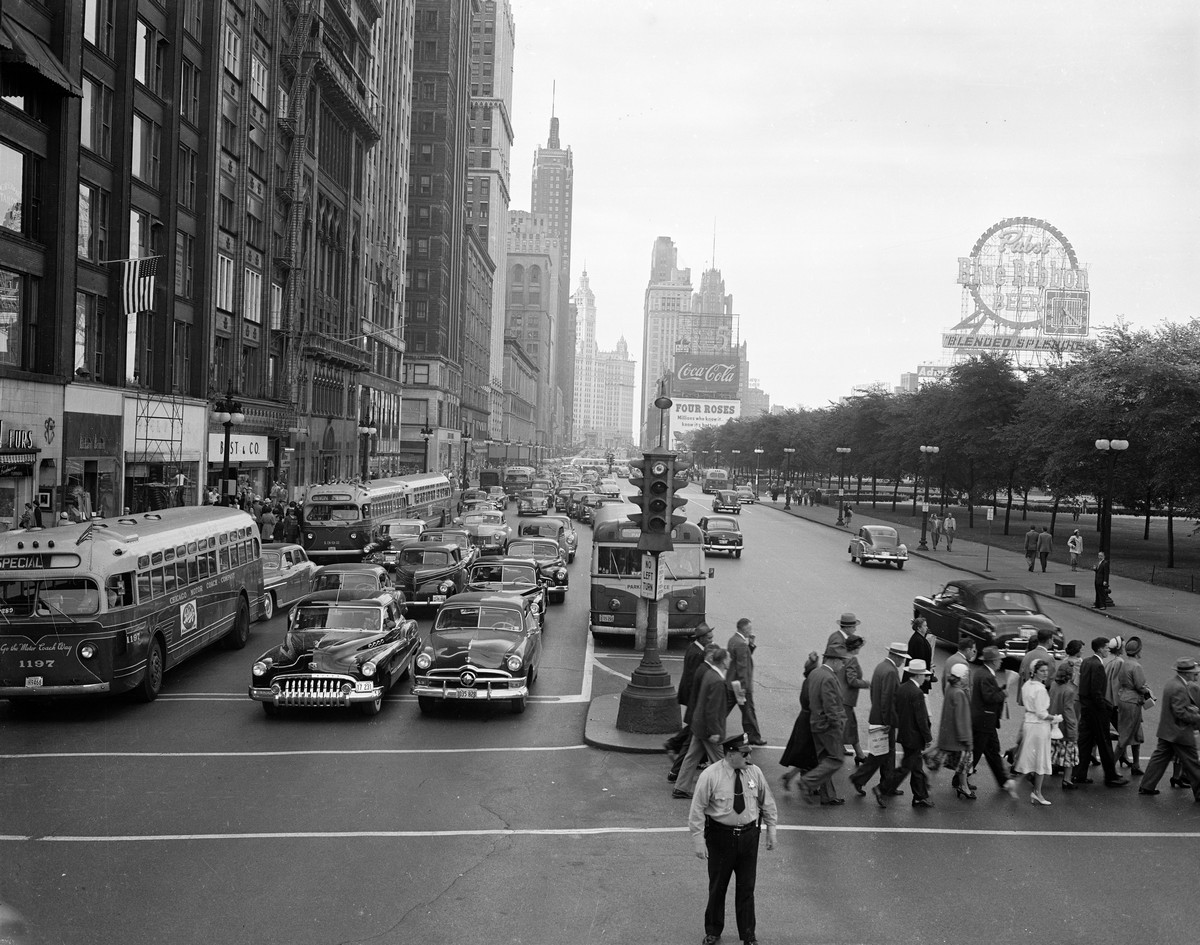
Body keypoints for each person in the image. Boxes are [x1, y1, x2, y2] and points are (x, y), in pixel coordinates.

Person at [689, 733, 778, 945]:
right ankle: (713, 930)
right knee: (718, 886)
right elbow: (697, 809)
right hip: (720, 837)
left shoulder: (754, 773)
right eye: (745, 753)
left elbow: (767, 803)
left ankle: (749, 935)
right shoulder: (711, 776)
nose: (750, 758)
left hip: (749, 837)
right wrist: (698, 840)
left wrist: (771, 830)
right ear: (730, 754)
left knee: (747, 888)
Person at [849, 642, 908, 798]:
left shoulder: (881, 667)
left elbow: (876, 694)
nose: (903, 662)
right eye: (902, 658)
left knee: (885, 754)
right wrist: (888, 721)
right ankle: (863, 779)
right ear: (896, 656)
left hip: (878, 716)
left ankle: (886, 784)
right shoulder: (891, 672)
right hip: (885, 720)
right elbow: (888, 699)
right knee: (882, 754)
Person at [674, 646, 733, 799]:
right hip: (709, 730)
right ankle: (725, 792)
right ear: (723, 661)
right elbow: (712, 710)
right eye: (728, 658)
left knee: (691, 757)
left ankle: (681, 787)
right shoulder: (718, 681)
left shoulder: (709, 674)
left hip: (698, 726)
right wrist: (715, 732)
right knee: (721, 762)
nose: (730, 660)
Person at [1137, 658, 1200, 801]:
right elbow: (1180, 712)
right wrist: (1196, 715)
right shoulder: (1180, 687)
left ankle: (1147, 785)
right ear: (1187, 673)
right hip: (1180, 733)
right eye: (1194, 673)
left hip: (1167, 731)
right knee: (1193, 764)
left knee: (1159, 758)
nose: (1195, 675)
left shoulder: (1172, 683)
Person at [874, 659, 934, 808]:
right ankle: (882, 789)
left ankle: (920, 796)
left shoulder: (902, 688)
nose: (924, 678)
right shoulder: (918, 693)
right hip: (914, 736)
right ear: (918, 675)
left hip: (905, 734)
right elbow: (921, 719)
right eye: (924, 675)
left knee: (916, 767)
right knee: (907, 767)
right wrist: (928, 738)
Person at [1072, 637, 1127, 787]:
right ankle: (1111, 776)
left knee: (1085, 742)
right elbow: (1096, 692)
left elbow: (1084, 688)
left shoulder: (1086, 662)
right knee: (1104, 743)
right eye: (1107, 648)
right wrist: (1105, 707)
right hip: (1096, 710)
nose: (1108, 650)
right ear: (1100, 649)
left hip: (1086, 709)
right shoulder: (1097, 665)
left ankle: (1078, 774)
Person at [798, 643, 847, 805]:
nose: (843, 664)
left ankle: (827, 795)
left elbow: (805, 697)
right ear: (834, 661)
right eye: (842, 661)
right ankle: (807, 782)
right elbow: (831, 706)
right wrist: (838, 725)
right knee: (836, 759)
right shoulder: (829, 678)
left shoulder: (815, 673)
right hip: (828, 727)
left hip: (815, 723)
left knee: (825, 760)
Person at [666, 624, 714, 782]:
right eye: (709, 637)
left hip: (692, 696)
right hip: (694, 697)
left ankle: (689, 755)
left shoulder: (694, 648)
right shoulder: (698, 654)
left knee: (694, 731)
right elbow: (694, 679)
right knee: (693, 733)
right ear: (701, 638)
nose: (711, 639)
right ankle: (674, 747)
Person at [971, 646, 1017, 797]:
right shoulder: (987, 676)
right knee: (979, 752)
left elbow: (990, 692)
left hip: (985, 720)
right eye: (998, 660)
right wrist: (1003, 693)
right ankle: (960, 779)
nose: (1000, 662)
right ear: (992, 661)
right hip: (985, 720)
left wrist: (1001, 689)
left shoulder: (983, 673)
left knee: (991, 751)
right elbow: (989, 697)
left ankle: (1002, 780)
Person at [1015, 660, 1061, 805]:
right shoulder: (1040, 689)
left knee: (1028, 757)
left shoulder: (1026, 685)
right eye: (1042, 671)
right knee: (1041, 759)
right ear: (1034, 671)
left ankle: (1015, 785)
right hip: (1039, 726)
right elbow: (1042, 714)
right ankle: (1037, 792)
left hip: (1029, 723)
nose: (1045, 673)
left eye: (1046, 671)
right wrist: (1055, 718)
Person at [779, 651, 821, 789]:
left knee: (805, 753)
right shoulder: (812, 682)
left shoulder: (807, 681)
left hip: (804, 719)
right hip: (809, 720)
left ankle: (792, 776)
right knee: (810, 754)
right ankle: (807, 783)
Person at [936, 663, 975, 799]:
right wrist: (967, 740)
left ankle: (963, 786)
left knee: (956, 763)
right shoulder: (959, 693)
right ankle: (963, 787)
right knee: (964, 763)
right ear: (962, 676)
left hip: (947, 735)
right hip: (957, 738)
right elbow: (962, 719)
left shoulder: (950, 688)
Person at [1116, 636, 1152, 776]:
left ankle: (1136, 764)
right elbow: (1140, 686)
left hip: (1125, 698)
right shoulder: (1136, 666)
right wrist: (1148, 691)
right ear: (1137, 651)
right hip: (1133, 701)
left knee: (1136, 733)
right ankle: (1110, 769)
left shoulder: (1125, 663)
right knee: (1125, 736)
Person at [727, 618, 764, 745]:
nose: (751, 631)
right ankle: (754, 737)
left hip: (732, 682)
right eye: (750, 629)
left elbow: (742, 657)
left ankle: (711, 727)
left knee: (726, 708)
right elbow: (743, 666)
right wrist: (743, 686)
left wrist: (751, 645)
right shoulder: (741, 644)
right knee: (748, 711)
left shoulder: (733, 640)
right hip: (741, 685)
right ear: (744, 629)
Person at [838, 634, 871, 764]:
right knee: (851, 727)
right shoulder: (852, 660)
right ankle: (860, 755)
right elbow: (851, 680)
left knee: (845, 726)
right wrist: (866, 683)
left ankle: (857, 753)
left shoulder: (842, 656)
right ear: (855, 647)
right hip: (846, 699)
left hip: (839, 696)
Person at [1049, 660, 1080, 792]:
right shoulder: (1069, 690)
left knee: (1050, 752)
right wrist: (1073, 730)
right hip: (1064, 729)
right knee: (1069, 756)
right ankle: (1067, 780)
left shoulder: (1053, 685)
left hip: (1053, 724)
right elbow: (1069, 712)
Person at [907, 617, 935, 695]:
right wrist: (925, 676)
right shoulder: (918, 641)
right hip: (918, 676)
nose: (927, 627)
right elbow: (921, 660)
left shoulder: (919, 638)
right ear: (919, 628)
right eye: (925, 626)